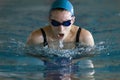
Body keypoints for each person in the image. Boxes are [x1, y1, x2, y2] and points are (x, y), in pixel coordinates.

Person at [26, 0, 95, 48]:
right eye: (55, 23)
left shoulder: (84, 37)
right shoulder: (36, 38)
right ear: (49, 20)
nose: (61, 28)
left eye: (66, 23)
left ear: (73, 20)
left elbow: (88, 61)